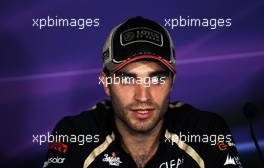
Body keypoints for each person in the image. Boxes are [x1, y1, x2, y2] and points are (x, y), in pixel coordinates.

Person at [43, 16, 243, 168]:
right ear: (106, 83)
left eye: (157, 79)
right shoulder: (76, 134)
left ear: (172, 82)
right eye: (128, 79)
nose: (143, 96)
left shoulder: (205, 131)